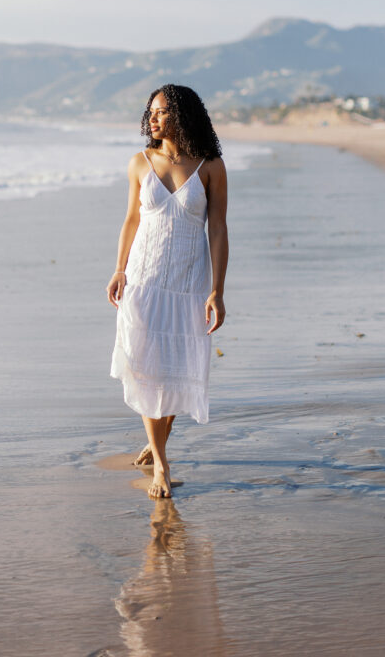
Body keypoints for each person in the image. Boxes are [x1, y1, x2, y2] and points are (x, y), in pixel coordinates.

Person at [107, 84, 229, 499]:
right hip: (143, 280)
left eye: (161, 112)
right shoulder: (140, 163)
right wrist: (119, 270)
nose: (153, 119)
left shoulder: (210, 166)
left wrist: (218, 289)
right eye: (151, 112)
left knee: (176, 370)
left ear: (182, 114)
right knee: (146, 369)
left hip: (187, 284)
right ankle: (161, 463)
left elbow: (218, 228)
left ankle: (156, 437)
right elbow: (130, 221)